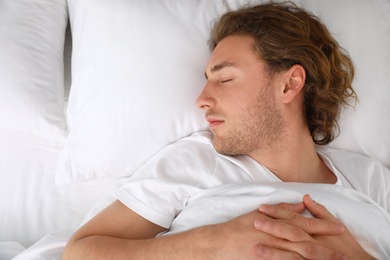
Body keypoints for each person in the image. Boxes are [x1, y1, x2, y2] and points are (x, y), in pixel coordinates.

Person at [63, 2, 390, 259]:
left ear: (289, 84)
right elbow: (80, 252)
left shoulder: (372, 182)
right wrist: (208, 245)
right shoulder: (194, 162)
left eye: (225, 78)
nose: (202, 99)